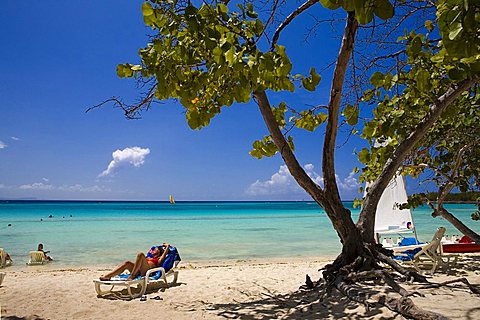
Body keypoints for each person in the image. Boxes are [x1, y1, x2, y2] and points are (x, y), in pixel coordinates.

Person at [99, 243, 171, 281]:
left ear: (159, 252)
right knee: (127, 263)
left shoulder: (159, 259)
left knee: (140, 254)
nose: (153, 250)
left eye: (155, 249)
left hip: (146, 272)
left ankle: (132, 276)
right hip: (138, 271)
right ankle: (108, 276)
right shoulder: (149, 257)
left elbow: (165, 254)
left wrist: (167, 246)